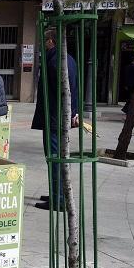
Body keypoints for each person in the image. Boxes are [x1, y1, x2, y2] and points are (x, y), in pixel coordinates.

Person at [31, 29, 79, 211]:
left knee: (54, 158)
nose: (43, 44)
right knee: (57, 158)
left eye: (45, 40)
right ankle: (57, 194)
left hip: (55, 118)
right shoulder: (67, 58)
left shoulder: (55, 60)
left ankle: (58, 199)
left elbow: (64, 91)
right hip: (59, 117)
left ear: (51, 41)